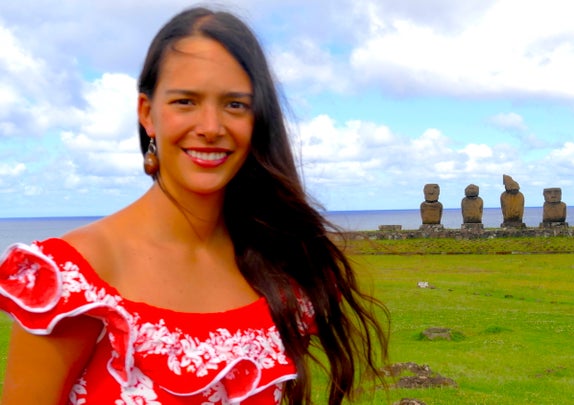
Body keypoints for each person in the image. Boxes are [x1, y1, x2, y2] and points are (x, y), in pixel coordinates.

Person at [0, 6, 388, 404]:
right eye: (186, 101)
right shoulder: (74, 279)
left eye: (234, 104)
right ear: (147, 115)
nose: (210, 127)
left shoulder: (278, 270)